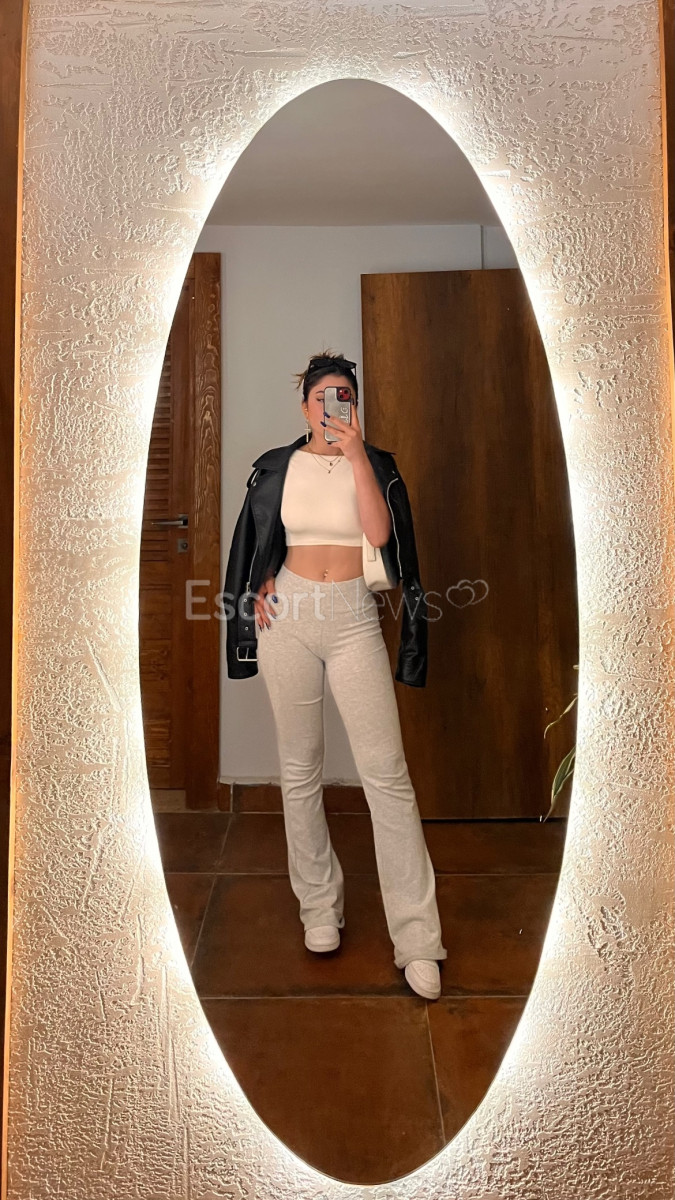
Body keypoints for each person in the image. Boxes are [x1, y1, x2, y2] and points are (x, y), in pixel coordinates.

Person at [223, 350, 447, 1000]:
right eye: (321, 397)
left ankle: (418, 940)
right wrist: (263, 579)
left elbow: (379, 536)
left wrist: (355, 456)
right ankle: (319, 909)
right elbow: (257, 541)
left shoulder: (373, 464)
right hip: (288, 617)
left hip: (351, 619)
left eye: (343, 396)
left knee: (387, 776)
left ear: (353, 404)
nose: (331, 407)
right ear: (304, 408)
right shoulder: (276, 466)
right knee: (299, 771)